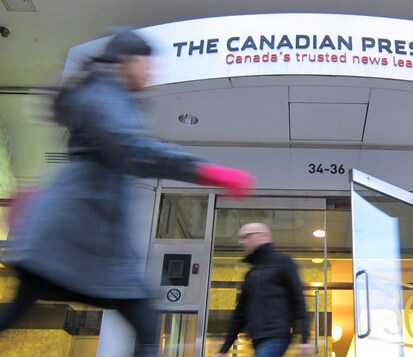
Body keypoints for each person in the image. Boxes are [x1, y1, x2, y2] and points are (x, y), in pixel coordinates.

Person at [0, 29, 254, 356]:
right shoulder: (102, 93)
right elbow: (131, 149)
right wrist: (204, 171)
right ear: (126, 61)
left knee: (20, 310)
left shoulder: (108, 94)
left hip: (77, 236)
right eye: (146, 63)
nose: (151, 72)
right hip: (73, 234)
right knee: (146, 326)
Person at [215, 222, 313, 357]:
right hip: (257, 339)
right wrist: (224, 349)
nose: (242, 242)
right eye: (241, 238)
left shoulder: (283, 262)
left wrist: (305, 338)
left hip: (277, 335)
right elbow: (240, 313)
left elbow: (298, 300)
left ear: (262, 236)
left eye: (246, 236)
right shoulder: (251, 274)